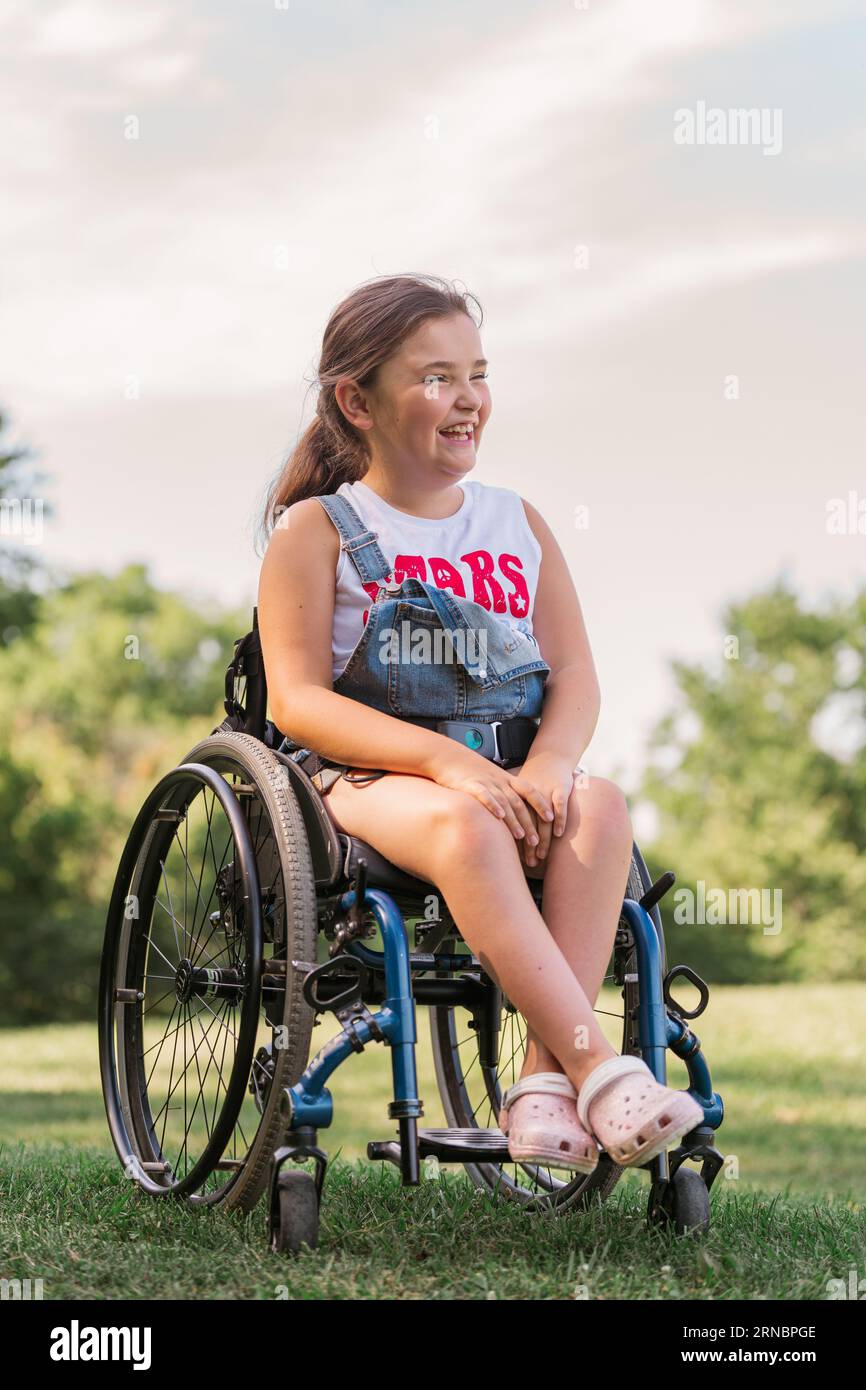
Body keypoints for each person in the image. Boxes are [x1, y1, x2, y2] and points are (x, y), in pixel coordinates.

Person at [257, 272, 703, 1173]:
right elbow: (295, 701)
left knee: (602, 805)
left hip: (513, 769)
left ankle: (542, 1088)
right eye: (435, 378)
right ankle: (599, 1070)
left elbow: (574, 673)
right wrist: (447, 766)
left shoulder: (516, 522)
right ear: (358, 401)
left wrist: (551, 766)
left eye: (478, 373)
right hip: (371, 783)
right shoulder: (320, 530)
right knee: (463, 823)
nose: (467, 401)